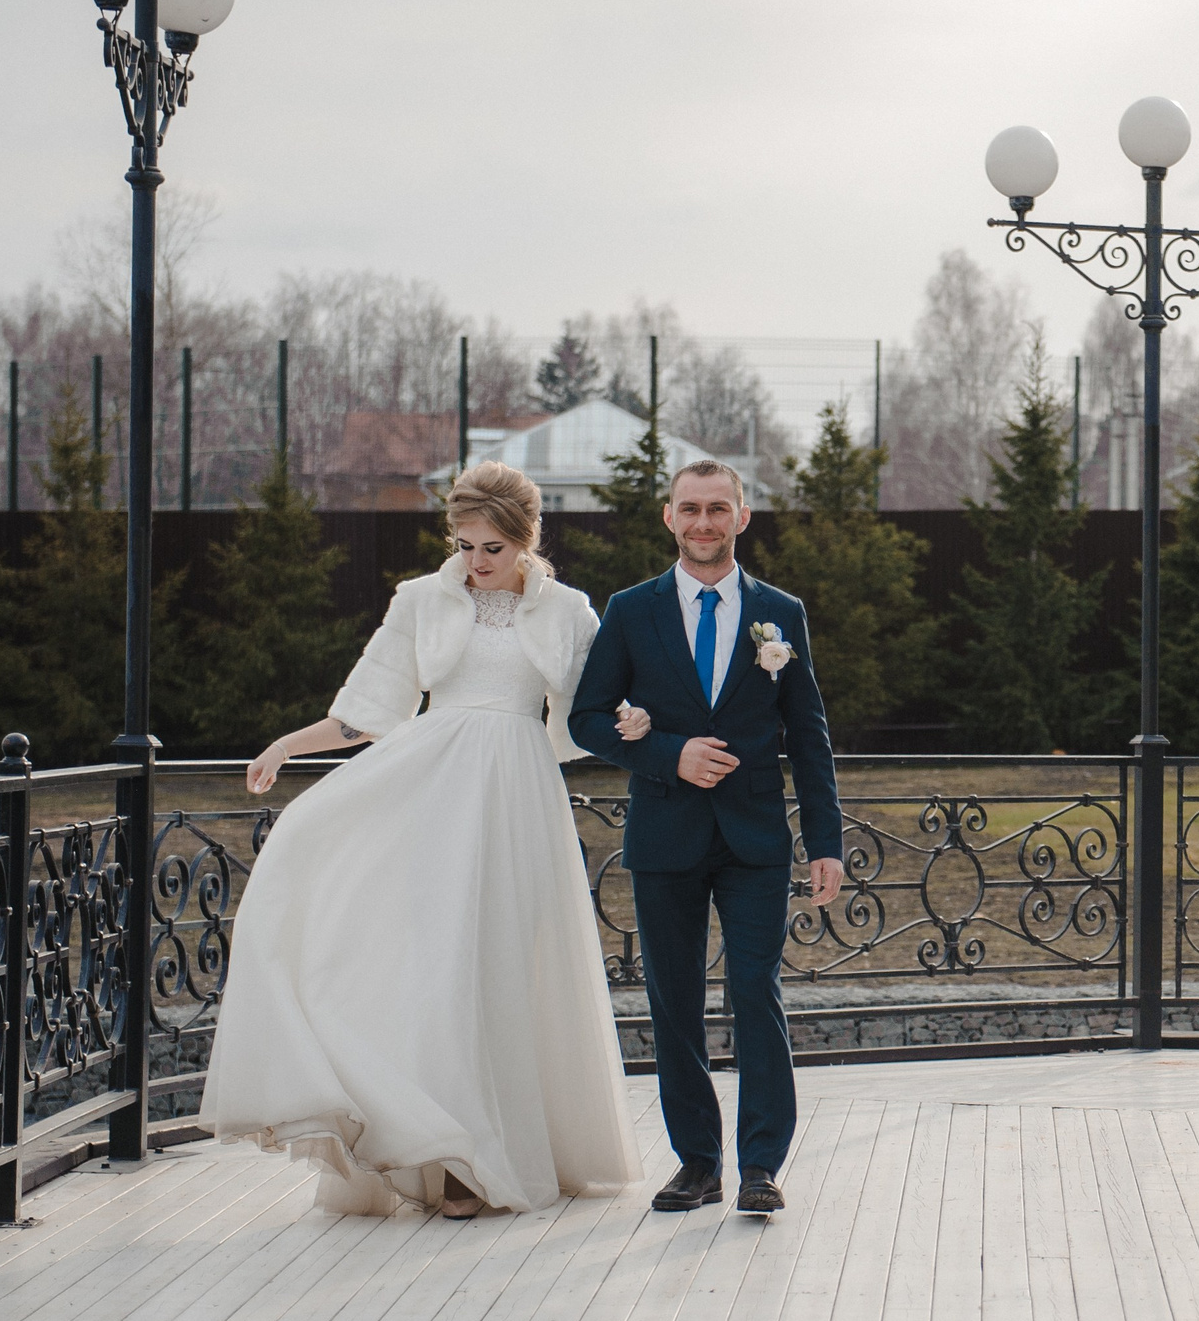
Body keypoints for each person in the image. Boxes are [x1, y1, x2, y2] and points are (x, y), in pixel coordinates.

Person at [201, 462, 644, 1220]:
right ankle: (446, 1158)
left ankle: (495, 1155)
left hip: (517, 801)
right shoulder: (420, 600)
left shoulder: (570, 611)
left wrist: (635, 721)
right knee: (436, 967)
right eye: (465, 543)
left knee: (502, 967)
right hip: (431, 791)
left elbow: (591, 711)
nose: (475, 561)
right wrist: (285, 746)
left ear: (525, 541)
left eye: (492, 548)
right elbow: (369, 710)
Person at [568, 458, 844, 1216]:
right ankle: (698, 1164)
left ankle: (760, 1166)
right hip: (666, 835)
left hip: (755, 839)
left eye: (718, 508)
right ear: (669, 516)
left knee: (757, 993)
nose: (703, 523)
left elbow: (809, 735)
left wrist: (826, 841)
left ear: (742, 516)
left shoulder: (780, 612)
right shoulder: (631, 611)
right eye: (690, 508)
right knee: (675, 1002)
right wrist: (668, 755)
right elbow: (587, 718)